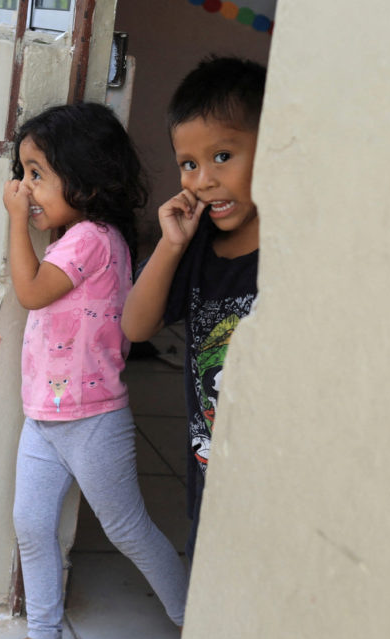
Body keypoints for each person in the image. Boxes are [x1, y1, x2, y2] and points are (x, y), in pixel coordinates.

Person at [0, 103, 188, 639]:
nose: (25, 187)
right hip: (47, 416)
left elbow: (30, 291)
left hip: (92, 418)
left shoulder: (91, 239)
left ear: (87, 179)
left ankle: (194, 624)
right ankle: (45, 637)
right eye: (23, 173)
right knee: (31, 522)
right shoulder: (81, 237)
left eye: (38, 174)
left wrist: (15, 220)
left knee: (127, 527)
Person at [120, 56, 265, 561]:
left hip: (271, 471)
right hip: (211, 468)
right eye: (189, 164)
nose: (203, 180)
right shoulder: (197, 241)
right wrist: (171, 245)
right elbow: (135, 326)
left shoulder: (289, 251)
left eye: (223, 156)